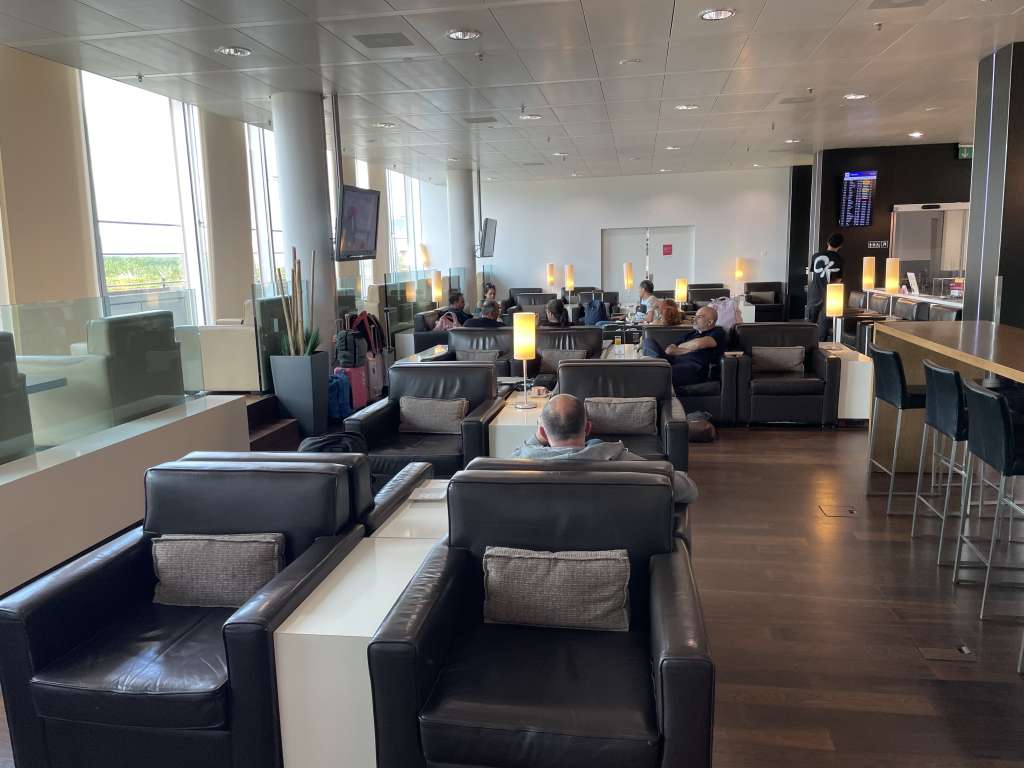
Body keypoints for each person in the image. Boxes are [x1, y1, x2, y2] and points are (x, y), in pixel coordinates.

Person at [511, 394, 698, 503]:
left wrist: (537, 439)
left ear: (543, 432)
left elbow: (517, 454)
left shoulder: (514, 468)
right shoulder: (621, 463)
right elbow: (688, 489)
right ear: (587, 428)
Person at [643, 305, 726, 389]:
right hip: (673, 361)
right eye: (695, 316)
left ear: (710, 322)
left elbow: (698, 344)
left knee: (657, 373)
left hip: (694, 367)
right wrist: (690, 350)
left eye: (699, 317)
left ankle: (656, 367)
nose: (694, 319)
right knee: (648, 341)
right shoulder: (691, 334)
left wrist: (680, 348)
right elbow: (669, 350)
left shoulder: (718, 332)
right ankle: (657, 365)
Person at [807, 232, 844, 341]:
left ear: (827, 242)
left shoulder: (816, 256)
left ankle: (807, 344)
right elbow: (838, 281)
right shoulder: (840, 260)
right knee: (824, 324)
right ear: (840, 246)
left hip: (815, 292)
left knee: (811, 322)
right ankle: (821, 346)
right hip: (830, 296)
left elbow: (814, 275)